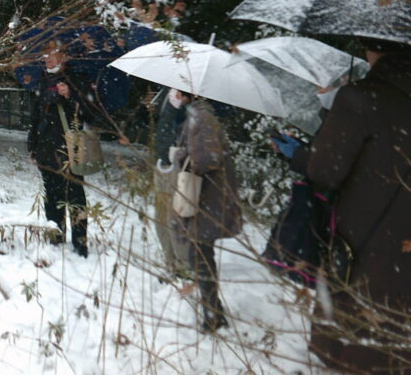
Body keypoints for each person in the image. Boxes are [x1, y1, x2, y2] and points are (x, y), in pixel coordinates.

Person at [271, 39, 411, 374]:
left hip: (365, 232)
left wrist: (297, 153)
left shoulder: (363, 96)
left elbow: (326, 170)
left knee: (359, 322)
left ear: (371, 46)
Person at [172, 90, 243, 333]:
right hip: (206, 195)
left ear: (186, 93)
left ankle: (213, 316)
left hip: (207, 196)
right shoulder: (199, 114)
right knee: (200, 254)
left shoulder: (202, 117)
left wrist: (180, 155)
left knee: (201, 255)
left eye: (176, 91)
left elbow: (207, 159)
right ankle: (212, 311)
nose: (173, 94)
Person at [27, 42, 94, 258]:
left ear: (63, 55)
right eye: (44, 54)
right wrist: (32, 145)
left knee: (75, 196)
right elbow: (35, 116)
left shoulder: (75, 79)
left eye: (52, 54)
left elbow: (89, 112)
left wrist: (71, 96)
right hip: (46, 149)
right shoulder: (41, 81)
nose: (47, 58)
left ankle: (80, 242)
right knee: (52, 195)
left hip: (69, 149)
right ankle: (55, 235)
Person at [153, 88, 190, 274]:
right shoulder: (165, 92)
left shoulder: (194, 106)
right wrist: (149, 110)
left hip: (179, 164)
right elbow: (158, 126)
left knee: (176, 217)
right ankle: (170, 260)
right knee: (161, 216)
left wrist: (177, 106)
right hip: (162, 161)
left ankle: (183, 264)